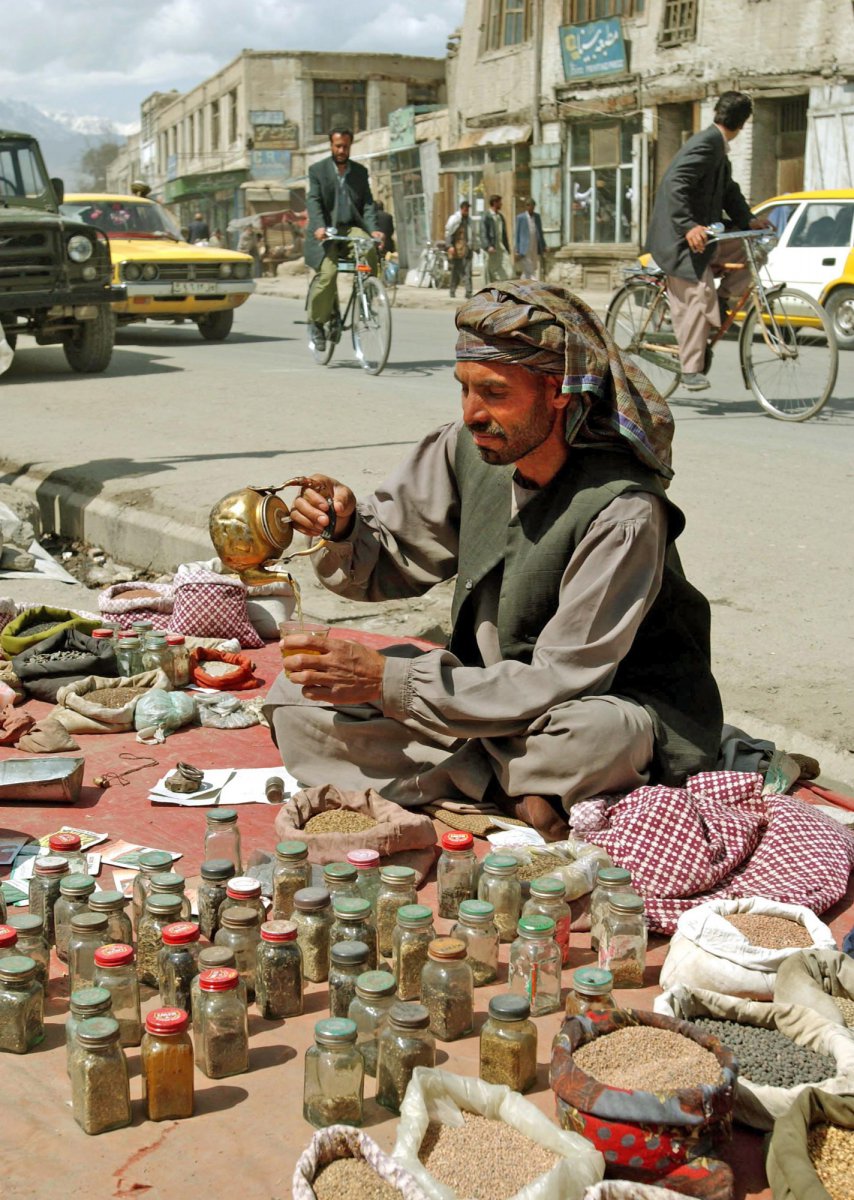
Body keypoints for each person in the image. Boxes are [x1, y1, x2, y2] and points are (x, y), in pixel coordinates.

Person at [264, 281, 723, 841]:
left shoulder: (623, 511)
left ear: (558, 391)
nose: (473, 413)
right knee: (293, 697)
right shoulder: (467, 449)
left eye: (495, 393)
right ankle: (510, 786)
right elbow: (390, 562)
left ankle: (477, 775)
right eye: (464, 390)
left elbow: (563, 679)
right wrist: (344, 529)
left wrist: (392, 681)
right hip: (483, 699)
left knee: (594, 738)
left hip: (586, 703)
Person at [646, 91, 771, 392]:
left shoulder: (717, 147)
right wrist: (688, 226)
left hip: (704, 236)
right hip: (678, 239)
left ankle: (724, 302)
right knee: (699, 294)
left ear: (717, 112)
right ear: (742, 124)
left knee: (751, 247)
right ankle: (690, 370)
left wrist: (749, 220)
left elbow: (728, 190)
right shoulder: (706, 143)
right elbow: (676, 183)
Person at [305, 125, 381, 350]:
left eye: (345, 146)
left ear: (350, 146)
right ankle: (317, 322)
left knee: (368, 246)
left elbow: (367, 203)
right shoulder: (317, 170)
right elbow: (314, 201)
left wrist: (374, 229)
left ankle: (367, 295)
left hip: (351, 229)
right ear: (331, 145)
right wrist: (319, 226)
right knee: (327, 276)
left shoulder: (359, 172)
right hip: (327, 233)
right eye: (337, 146)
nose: (341, 150)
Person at [444, 200, 478, 299]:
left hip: (467, 250)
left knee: (468, 272)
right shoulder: (455, 220)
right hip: (457, 250)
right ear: (462, 208)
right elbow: (449, 233)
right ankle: (452, 290)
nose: (467, 210)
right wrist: (450, 246)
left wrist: (476, 247)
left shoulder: (469, 221)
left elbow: (473, 235)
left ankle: (468, 292)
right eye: (465, 208)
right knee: (456, 272)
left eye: (468, 208)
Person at [482, 194, 512, 285]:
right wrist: (488, 246)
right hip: (491, 248)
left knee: (508, 269)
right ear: (495, 203)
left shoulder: (500, 217)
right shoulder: (486, 217)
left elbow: (504, 234)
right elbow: (483, 233)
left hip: (500, 248)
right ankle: (488, 289)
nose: (501, 204)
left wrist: (507, 248)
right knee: (489, 271)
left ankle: (503, 287)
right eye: (500, 202)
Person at [514, 198, 546, 280]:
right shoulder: (520, 218)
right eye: (528, 206)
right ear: (526, 207)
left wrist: (544, 245)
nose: (530, 208)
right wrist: (517, 249)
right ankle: (534, 278)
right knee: (527, 263)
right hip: (524, 245)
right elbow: (517, 234)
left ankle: (524, 283)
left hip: (535, 243)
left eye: (531, 206)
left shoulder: (537, 217)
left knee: (533, 263)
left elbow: (540, 231)